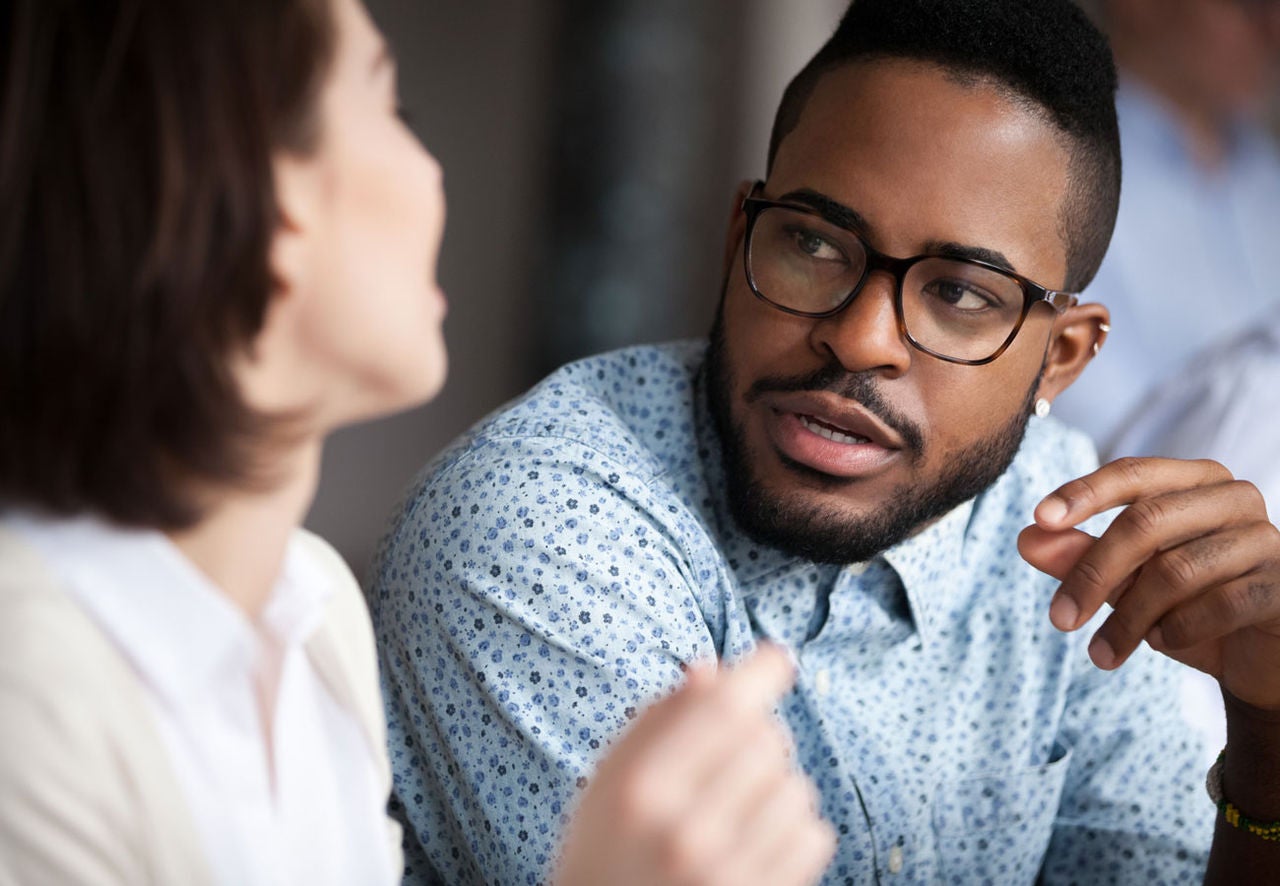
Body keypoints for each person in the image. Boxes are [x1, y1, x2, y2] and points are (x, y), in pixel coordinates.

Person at [369, 0, 1280, 883]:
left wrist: (1270, 737)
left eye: (960, 292)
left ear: (1060, 360)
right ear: (740, 240)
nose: (861, 339)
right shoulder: (545, 530)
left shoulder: (1060, 526)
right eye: (813, 243)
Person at [0, 1, 835, 884]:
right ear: (276, 201)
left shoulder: (310, 609)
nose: (433, 173)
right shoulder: (31, 696)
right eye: (392, 110)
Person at [1054, 0, 1280, 451]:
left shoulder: (1266, 176)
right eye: (1251, 7)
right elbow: (1091, 432)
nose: (1274, 29)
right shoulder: (1060, 159)